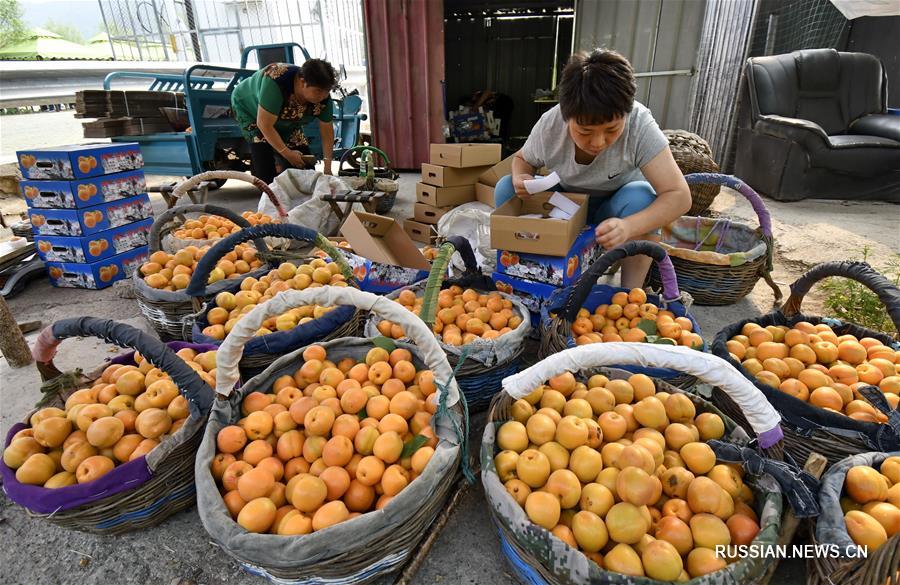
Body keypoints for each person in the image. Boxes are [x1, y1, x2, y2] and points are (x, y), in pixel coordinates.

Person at [497, 49, 691, 288]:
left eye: (612, 130)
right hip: (566, 205)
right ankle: (524, 275)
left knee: (642, 197)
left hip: (614, 209)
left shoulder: (640, 124)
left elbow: (679, 195)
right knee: (506, 188)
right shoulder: (550, 125)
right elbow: (522, 159)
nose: (598, 142)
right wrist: (521, 176)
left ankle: (630, 295)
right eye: (585, 132)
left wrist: (629, 226)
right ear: (566, 116)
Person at [231, 59, 337, 184]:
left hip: (285, 120)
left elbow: (327, 132)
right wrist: (287, 153)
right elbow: (264, 125)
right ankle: (271, 198)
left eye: (326, 92)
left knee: (306, 171)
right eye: (318, 91)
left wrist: (328, 167)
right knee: (266, 171)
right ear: (303, 82)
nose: (323, 97)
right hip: (252, 111)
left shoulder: (323, 98)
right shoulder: (276, 81)